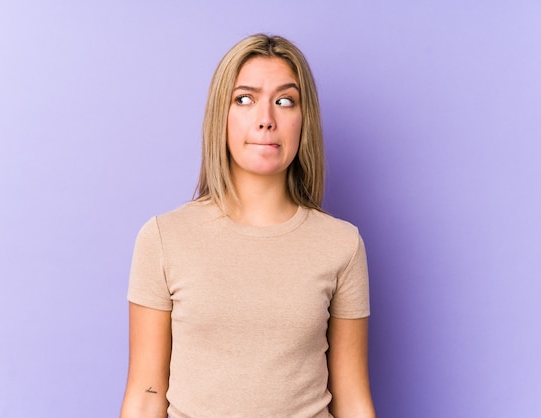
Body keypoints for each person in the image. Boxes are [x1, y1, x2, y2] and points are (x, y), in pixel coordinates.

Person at [120, 33, 376, 418]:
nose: (266, 120)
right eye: (245, 99)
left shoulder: (342, 244)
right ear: (220, 116)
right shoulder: (163, 238)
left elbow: (353, 397)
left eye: (285, 101)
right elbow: (145, 392)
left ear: (303, 120)